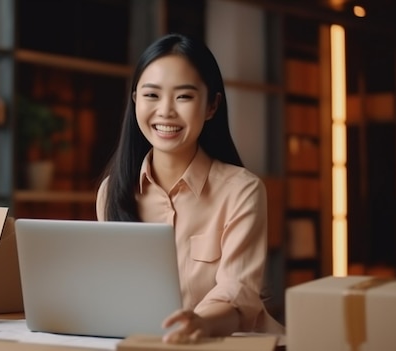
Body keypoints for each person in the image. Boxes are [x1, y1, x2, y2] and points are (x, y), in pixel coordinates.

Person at [95, 33, 285, 343]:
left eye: (184, 96)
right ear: (134, 100)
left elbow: (237, 293)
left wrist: (201, 323)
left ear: (212, 106)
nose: (166, 111)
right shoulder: (112, 192)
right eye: (152, 95)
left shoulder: (242, 191)